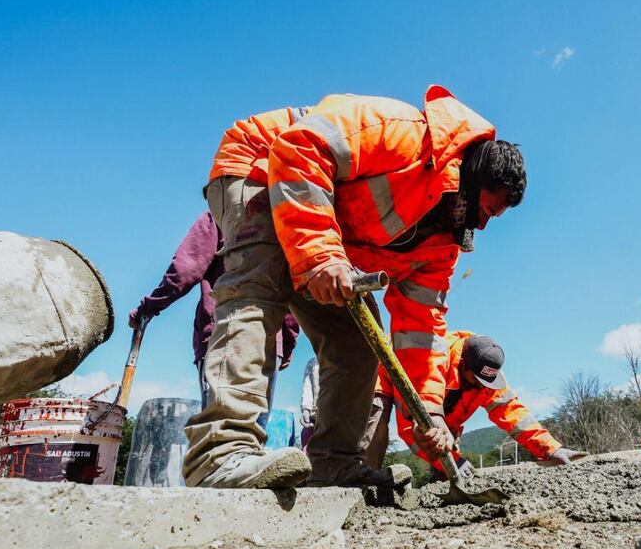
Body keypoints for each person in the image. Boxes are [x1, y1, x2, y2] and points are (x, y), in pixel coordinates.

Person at [183, 85, 526, 491]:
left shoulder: (442, 244)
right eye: (486, 210)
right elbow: (300, 147)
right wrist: (322, 255)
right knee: (260, 284)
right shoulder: (401, 132)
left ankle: (334, 462)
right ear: (470, 178)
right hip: (260, 163)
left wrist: (430, 411)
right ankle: (219, 453)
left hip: (314, 222)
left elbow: (421, 329)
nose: (482, 226)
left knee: (359, 339)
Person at [129, 211, 300, 425]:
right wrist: (287, 345)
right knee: (252, 433)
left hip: (226, 334)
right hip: (269, 343)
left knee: (218, 433)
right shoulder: (282, 217)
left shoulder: (222, 213)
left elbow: (185, 270)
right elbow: (294, 291)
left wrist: (148, 307)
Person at [370, 331, 588, 475]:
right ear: (462, 365)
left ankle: (442, 480)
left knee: (447, 446)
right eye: (478, 379)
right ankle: (363, 485)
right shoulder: (429, 366)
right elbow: (411, 429)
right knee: (376, 421)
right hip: (388, 369)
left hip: (445, 405)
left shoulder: (486, 375)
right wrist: (455, 461)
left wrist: (552, 449)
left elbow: (514, 413)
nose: (483, 387)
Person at [299, 357, 318, 450]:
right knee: (307, 447)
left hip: (336, 420)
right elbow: (307, 388)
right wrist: (306, 409)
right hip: (313, 419)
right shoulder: (312, 363)